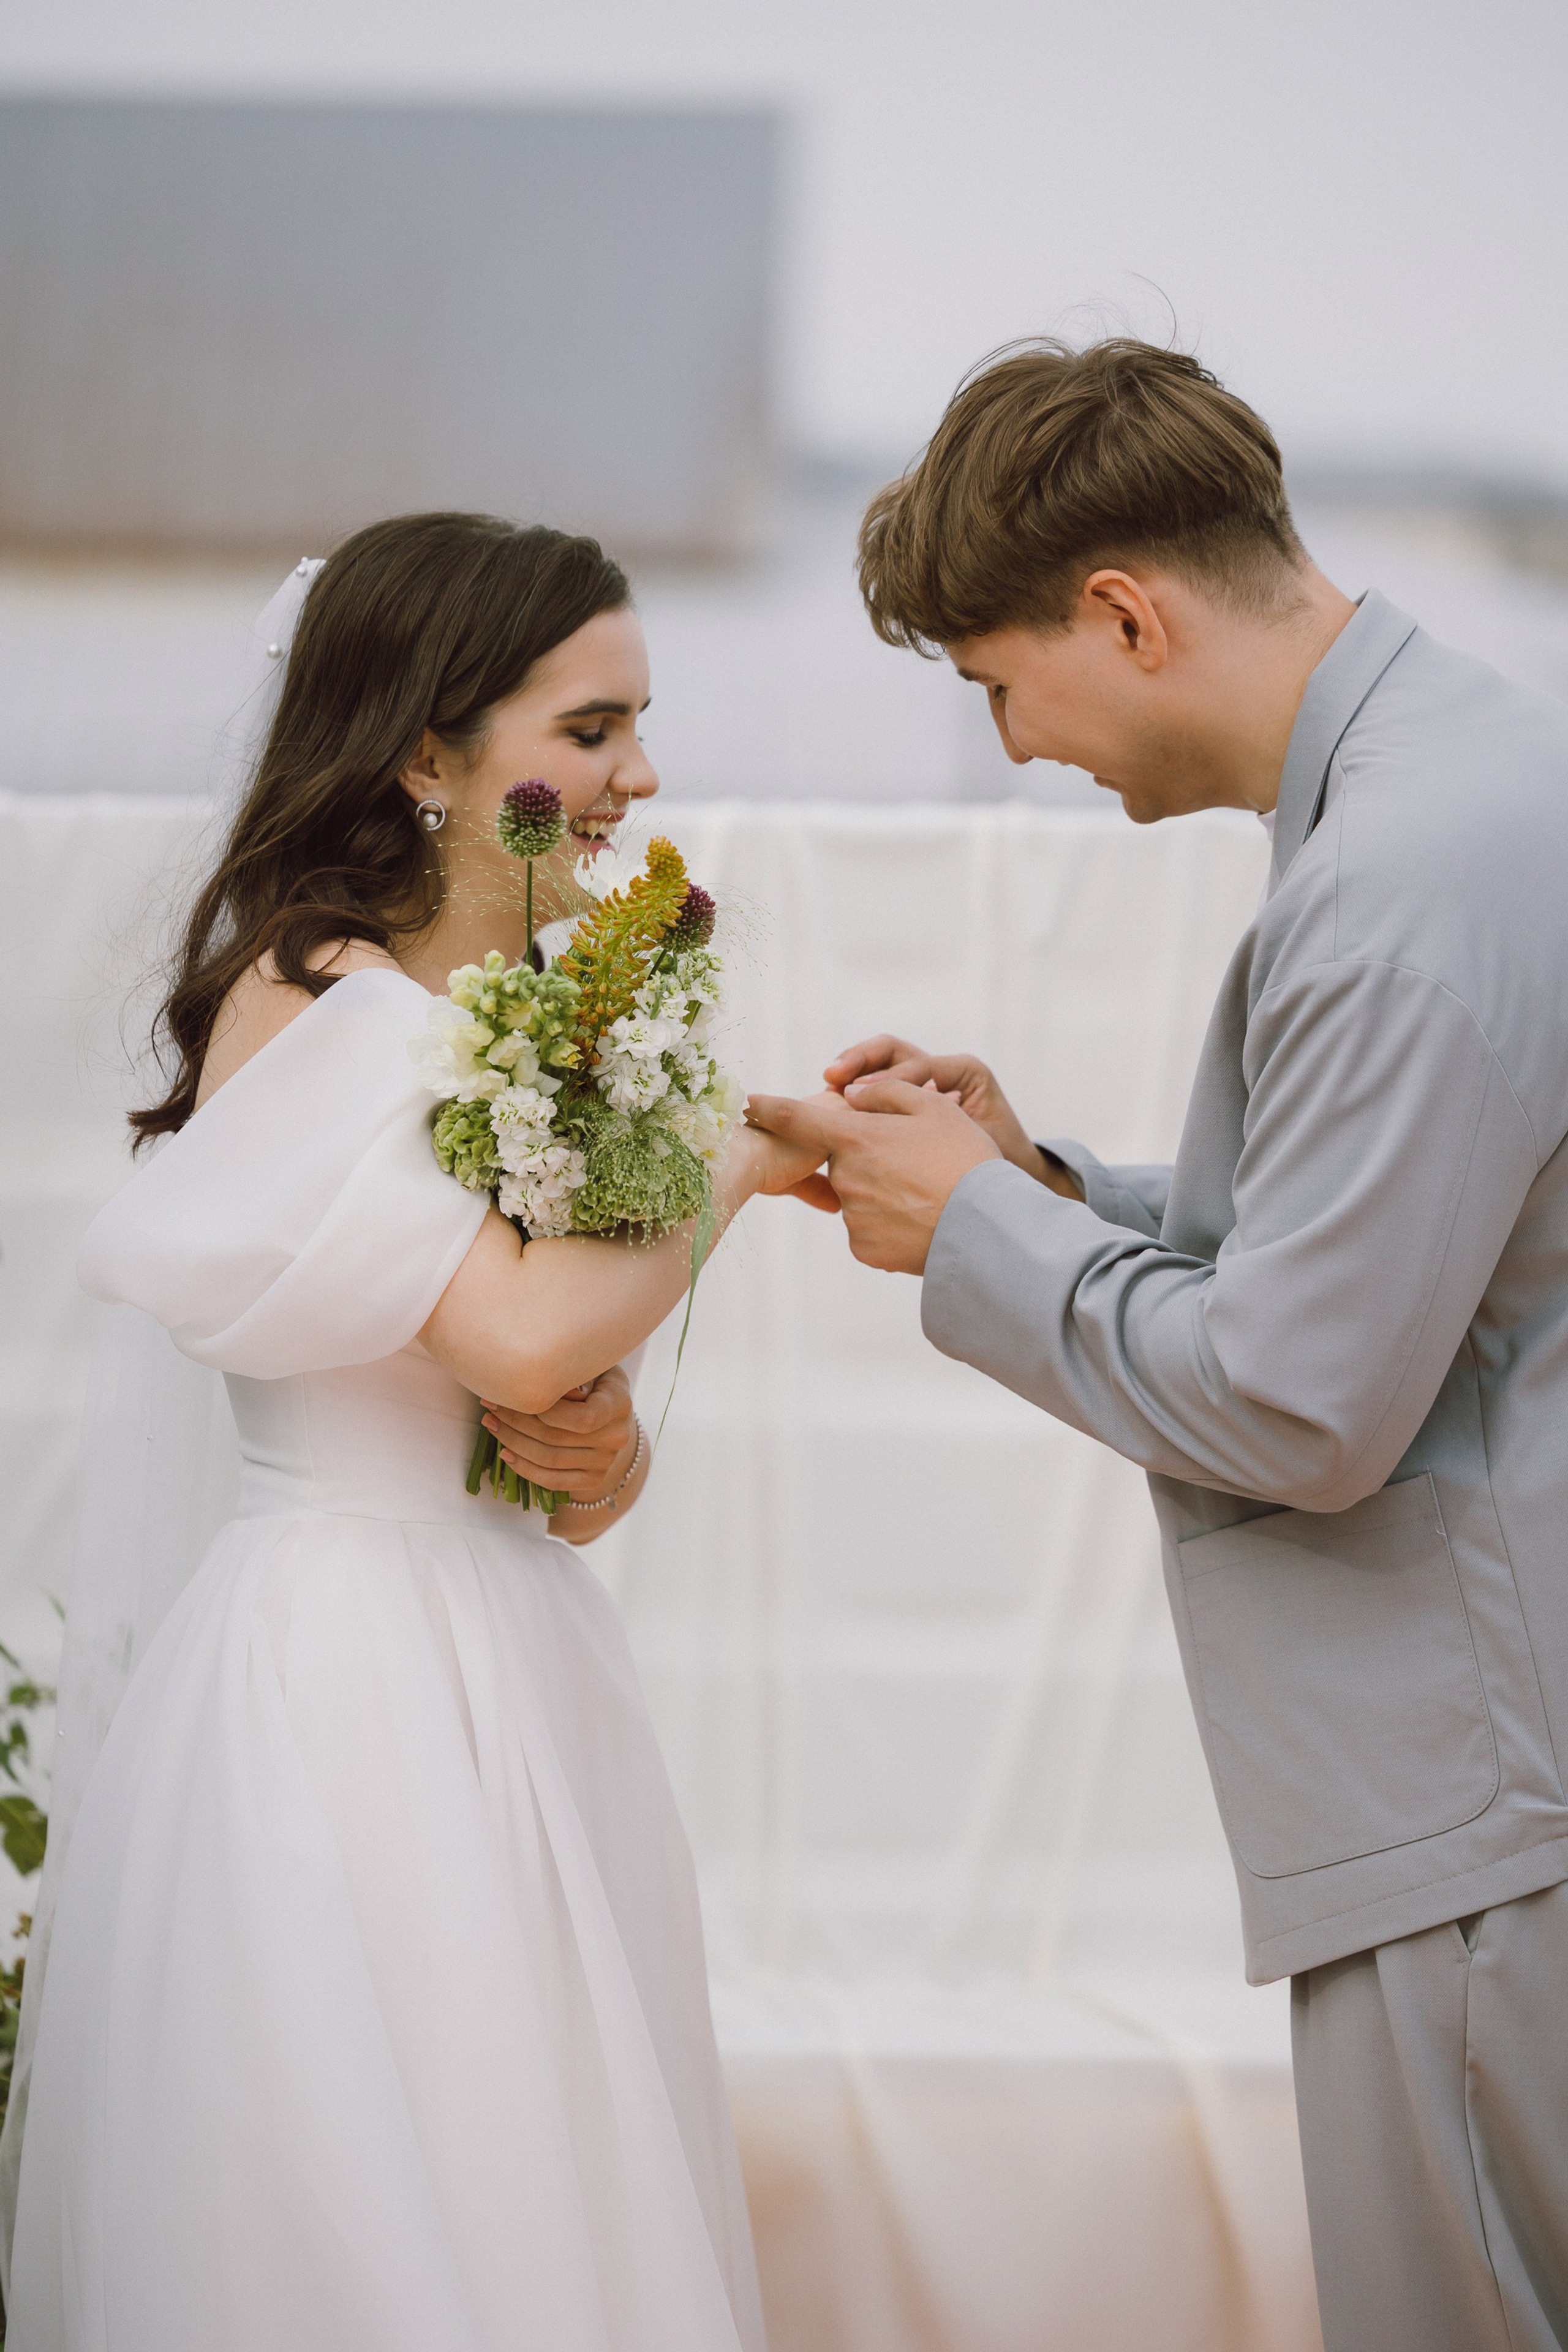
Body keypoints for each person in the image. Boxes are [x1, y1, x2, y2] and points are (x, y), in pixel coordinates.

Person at [747, 339, 1568, 2352]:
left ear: (1124, 614)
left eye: (994, 681)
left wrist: (978, 1234)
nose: (1017, 743)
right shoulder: (1474, 777)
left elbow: (1303, 1402)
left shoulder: (1396, 884)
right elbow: (1405, 1267)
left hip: (1485, 1804)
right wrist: (1043, 1180)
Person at [6, 511, 819, 2349]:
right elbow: (522, 1324)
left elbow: (518, 1385)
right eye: (592, 729)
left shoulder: (493, 1024)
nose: (640, 775)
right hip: (353, 1683)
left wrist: (601, 1455)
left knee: (528, 2195)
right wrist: (740, 1162)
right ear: (426, 758)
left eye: (639, 725)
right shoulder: (328, 999)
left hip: (504, 1654)